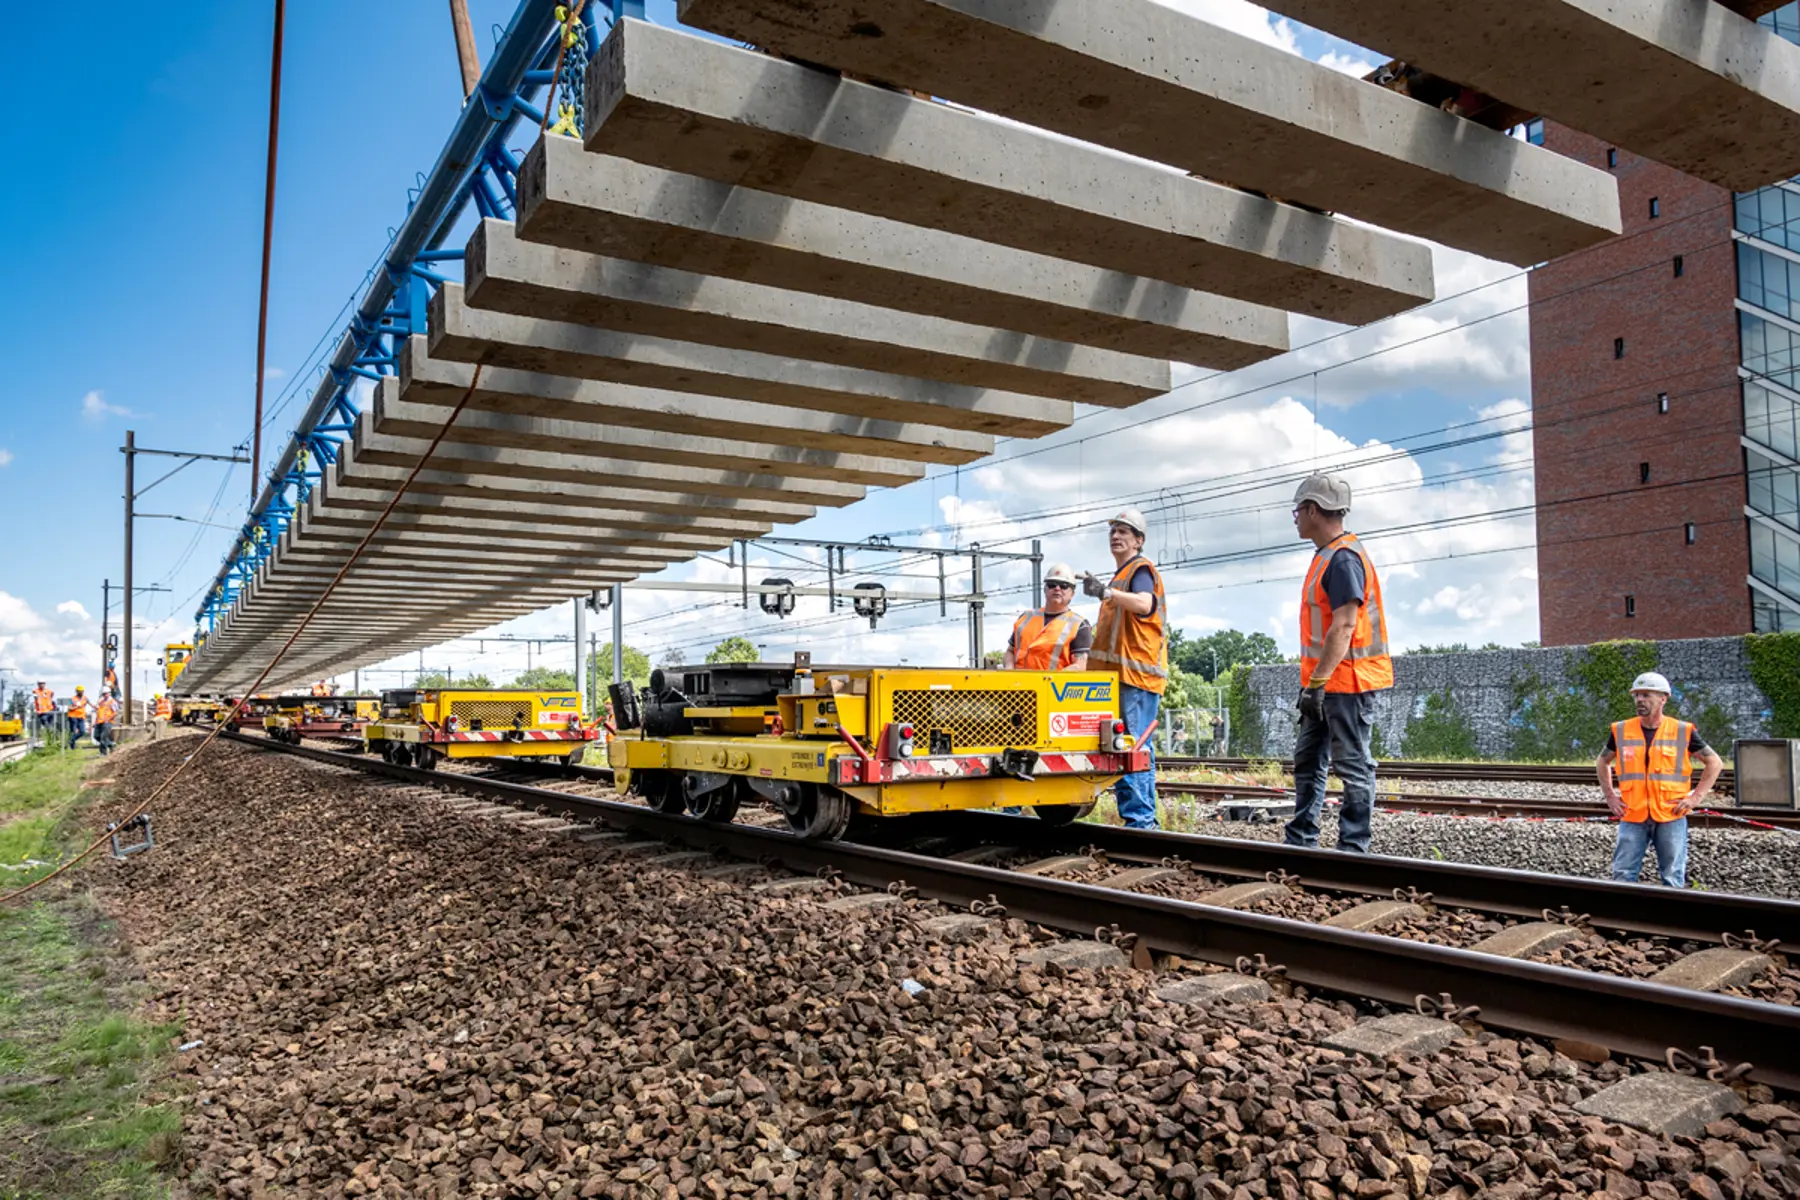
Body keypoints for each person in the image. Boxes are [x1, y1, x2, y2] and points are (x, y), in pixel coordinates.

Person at [1282, 473, 1392, 855]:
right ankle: (1301, 839)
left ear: (1313, 510)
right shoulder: (1328, 555)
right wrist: (1314, 684)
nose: (1294, 518)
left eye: (1297, 511)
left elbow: (1344, 626)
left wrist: (1318, 683)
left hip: (1348, 682)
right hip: (1324, 683)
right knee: (1309, 761)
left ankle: (1353, 847)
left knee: (1353, 764)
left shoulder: (1343, 558)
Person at [1596, 672, 1723, 888]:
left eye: (1646, 695)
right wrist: (1610, 797)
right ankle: (1623, 917)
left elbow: (1715, 762)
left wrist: (1695, 798)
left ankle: (1671, 918)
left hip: (1670, 814)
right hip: (1632, 813)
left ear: (1663, 698)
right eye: (1636, 696)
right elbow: (1602, 762)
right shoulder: (1621, 730)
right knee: (1623, 873)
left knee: (1673, 875)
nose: (1639, 700)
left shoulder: (1682, 731)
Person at [1085, 508, 1168, 829]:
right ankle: (1140, 820)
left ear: (1139, 540)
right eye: (1113, 532)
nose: (1116, 536)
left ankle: (1142, 822)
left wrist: (1107, 593)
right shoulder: (1121, 577)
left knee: (1132, 747)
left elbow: (1145, 604)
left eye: (1124, 532)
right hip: (1119, 679)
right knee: (1128, 747)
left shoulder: (1140, 570)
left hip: (1136, 677)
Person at [1004, 564, 1092, 671]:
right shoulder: (1025, 618)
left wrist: (1053, 680)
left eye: (1064, 586)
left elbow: (1080, 665)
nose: (1057, 589)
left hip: (1053, 686)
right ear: (1045, 589)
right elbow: (1010, 651)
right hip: (1020, 685)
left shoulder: (1079, 625)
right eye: (1052, 585)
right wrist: (1009, 669)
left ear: (1072, 593)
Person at [66, 685, 90, 749]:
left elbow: (90, 704)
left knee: (82, 731)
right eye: (79, 691)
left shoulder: (85, 698)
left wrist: (96, 708)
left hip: (81, 717)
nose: (81, 692)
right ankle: (72, 746)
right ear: (77, 691)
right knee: (73, 731)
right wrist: (76, 707)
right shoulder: (72, 699)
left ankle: (71, 740)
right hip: (73, 717)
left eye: (82, 691)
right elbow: (69, 708)